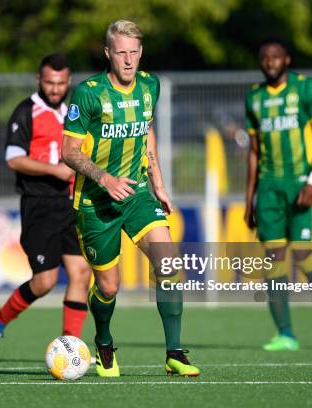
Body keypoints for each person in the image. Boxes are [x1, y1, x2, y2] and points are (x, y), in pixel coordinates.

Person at [61, 20, 199, 377]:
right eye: (121, 52)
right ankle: (104, 343)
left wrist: (159, 185)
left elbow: (146, 132)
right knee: (109, 286)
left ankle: (175, 352)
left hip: (137, 194)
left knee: (169, 266)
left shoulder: (151, 85)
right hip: (95, 202)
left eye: (134, 51)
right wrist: (104, 178)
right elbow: (69, 152)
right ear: (108, 53)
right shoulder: (88, 93)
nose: (128, 59)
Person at [0, 54, 92, 356]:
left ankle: (70, 347)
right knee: (44, 282)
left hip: (73, 205)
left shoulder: (75, 111)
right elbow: (13, 158)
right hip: (40, 204)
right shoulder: (25, 112)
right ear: (39, 80)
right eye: (49, 83)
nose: (55, 89)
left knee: (81, 272)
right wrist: (54, 170)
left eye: (61, 83)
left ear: (69, 82)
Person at [244, 37, 312, 351]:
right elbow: (254, 153)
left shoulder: (306, 88)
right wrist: (250, 199)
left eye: (276, 56)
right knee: (273, 259)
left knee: (301, 252)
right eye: (264, 57)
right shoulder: (255, 97)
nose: (270, 61)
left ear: (287, 60)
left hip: (300, 184)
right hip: (269, 189)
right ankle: (286, 334)